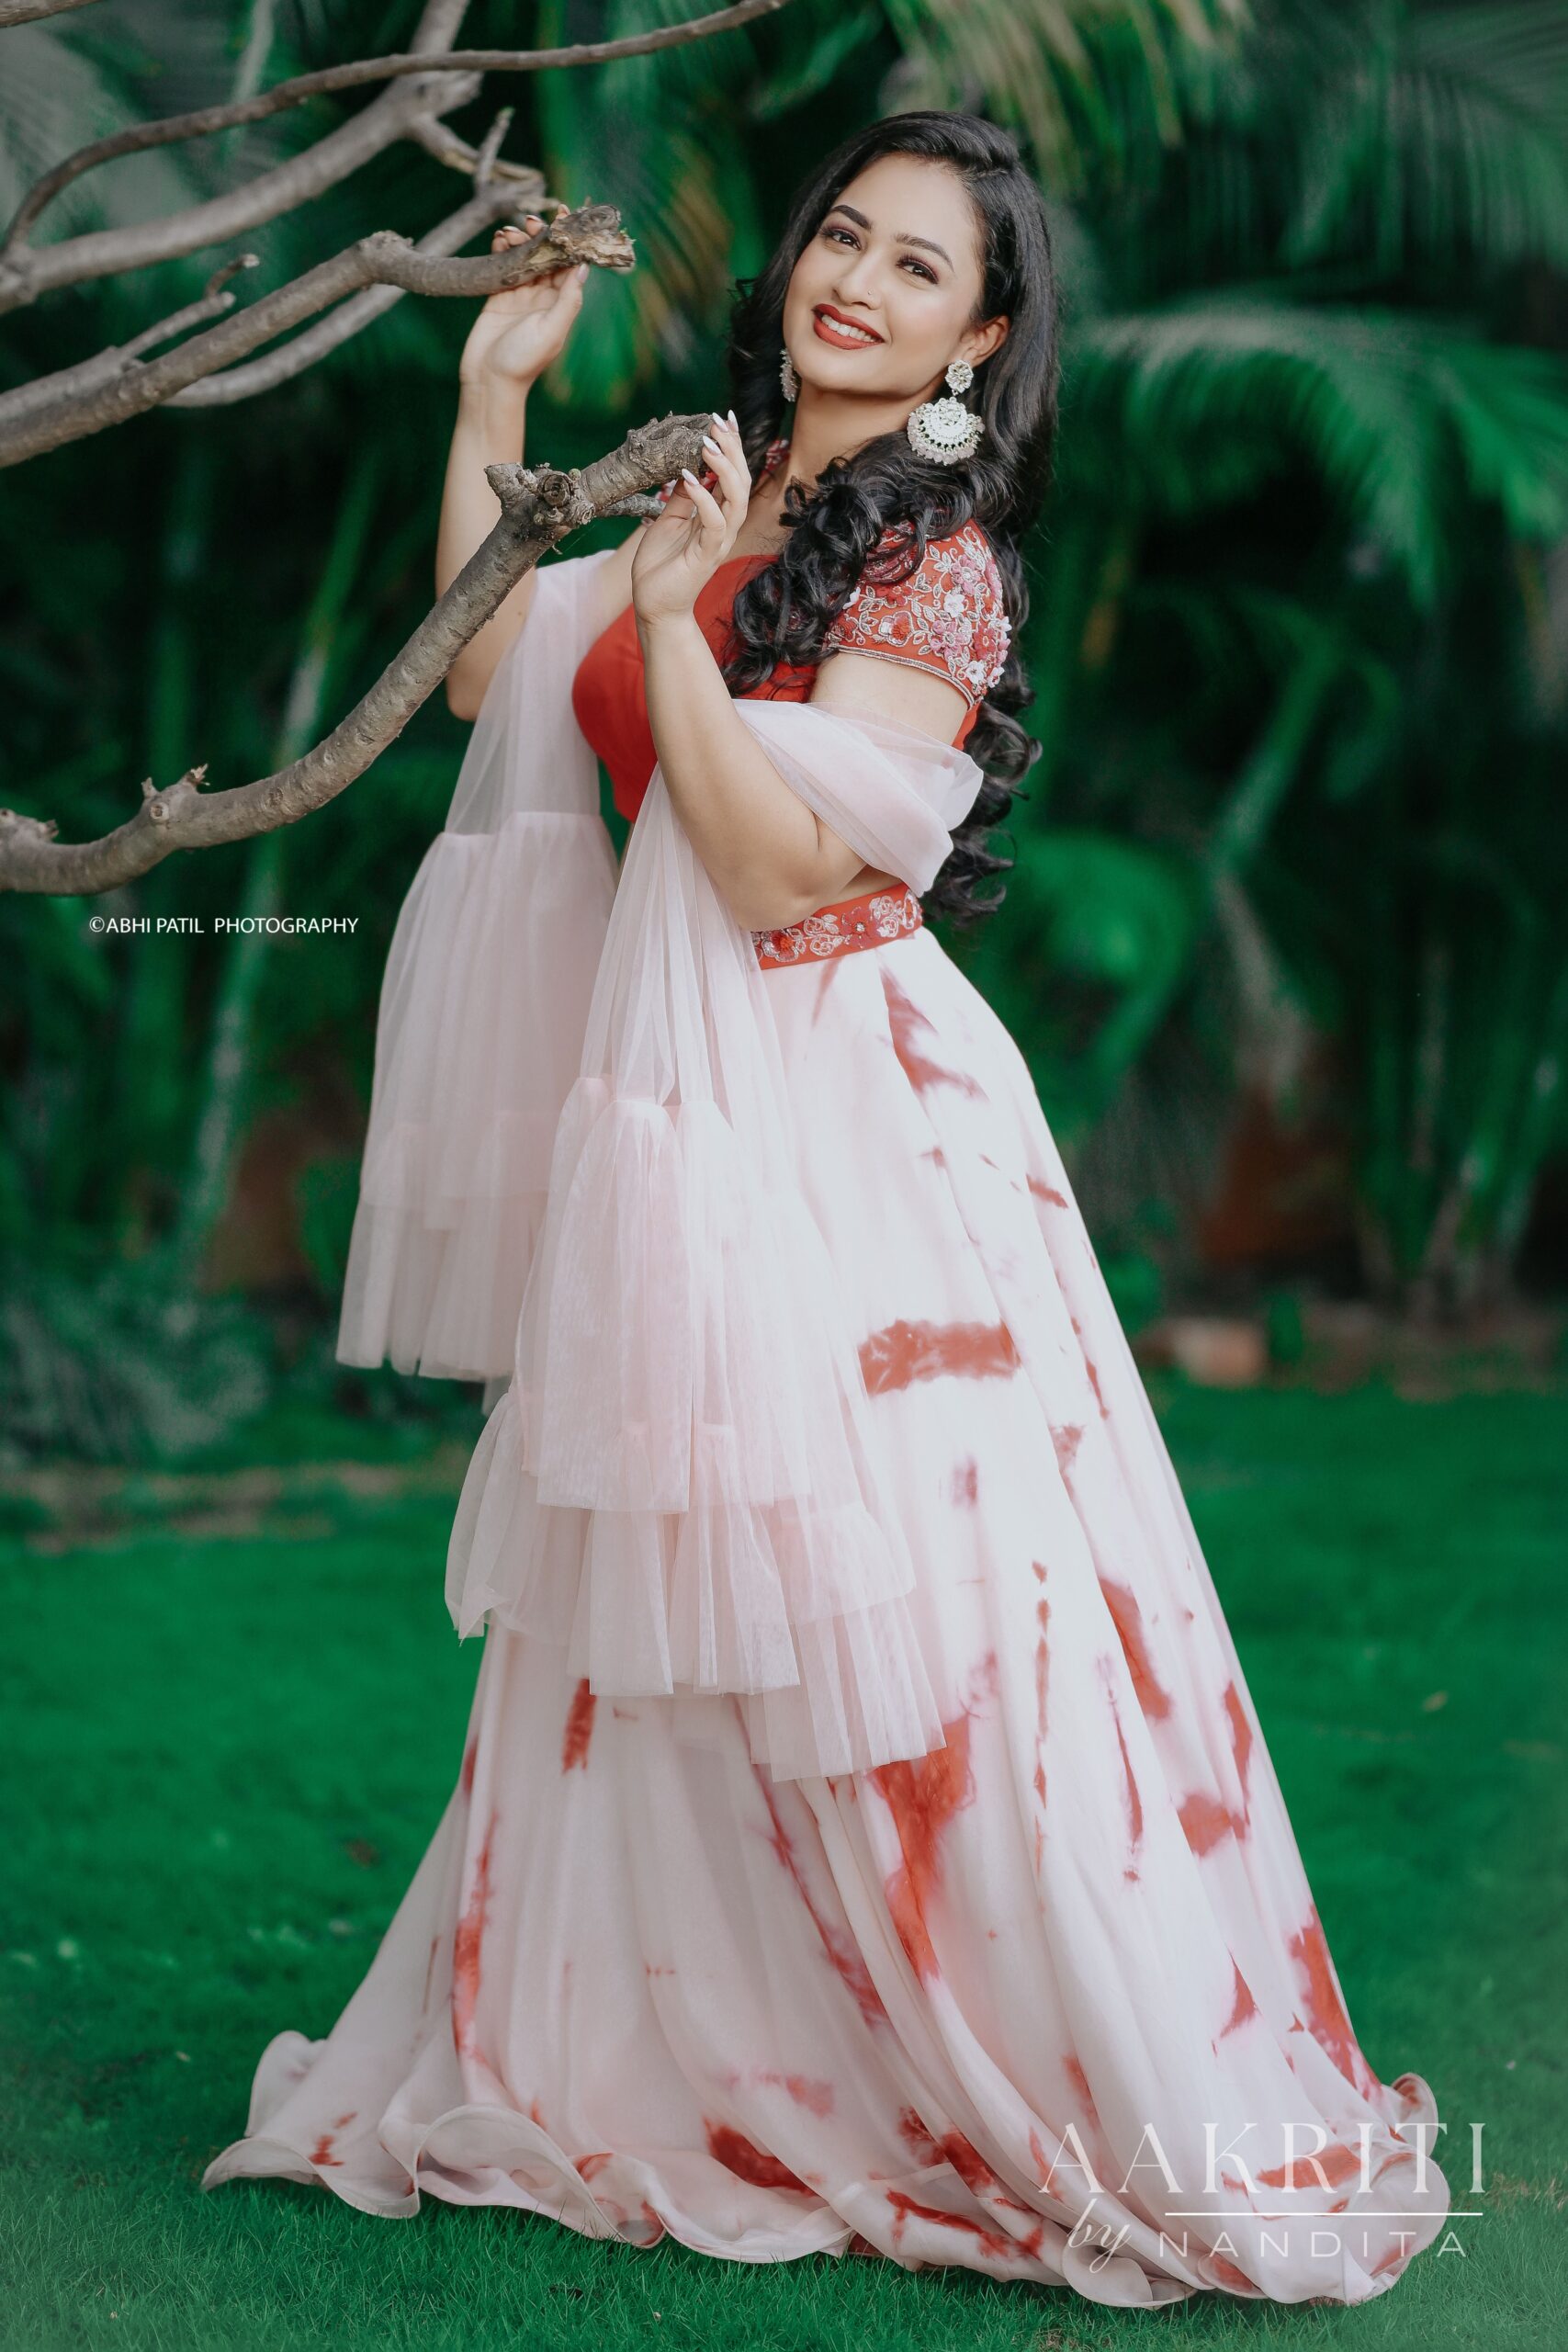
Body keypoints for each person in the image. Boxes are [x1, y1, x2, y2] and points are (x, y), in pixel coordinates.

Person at [201, 114, 1450, 2309]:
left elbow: (781, 867)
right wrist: (494, 397)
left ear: (982, 333)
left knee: (899, 1593)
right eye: (839, 237)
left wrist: (681, 635)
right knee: (657, 1569)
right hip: (662, 1098)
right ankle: (654, 2040)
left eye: (916, 265)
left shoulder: (930, 566)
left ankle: (984, 2041)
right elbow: (499, 676)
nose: (854, 281)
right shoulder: (714, 478)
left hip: (840, 1118)